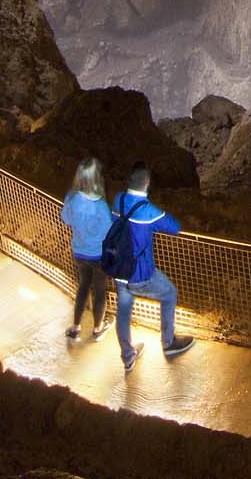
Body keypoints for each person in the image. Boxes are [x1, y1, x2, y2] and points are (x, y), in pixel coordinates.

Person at [111, 163, 194, 371]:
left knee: (123, 312)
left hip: (119, 269)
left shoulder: (118, 199)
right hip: (140, 274)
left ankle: (128, 356)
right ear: (148, 187)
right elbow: (175, 227)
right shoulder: (148, 212)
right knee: (169, 293)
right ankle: (168, 343)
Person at [60, 157, 114, 340]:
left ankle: (75, 327)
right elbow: (109, 232)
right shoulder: (101, 206)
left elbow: (66, 219)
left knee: (83, 286)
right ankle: (98, 329)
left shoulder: (71, 197)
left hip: (79, 251)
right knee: (99, 291)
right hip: (98, 256)